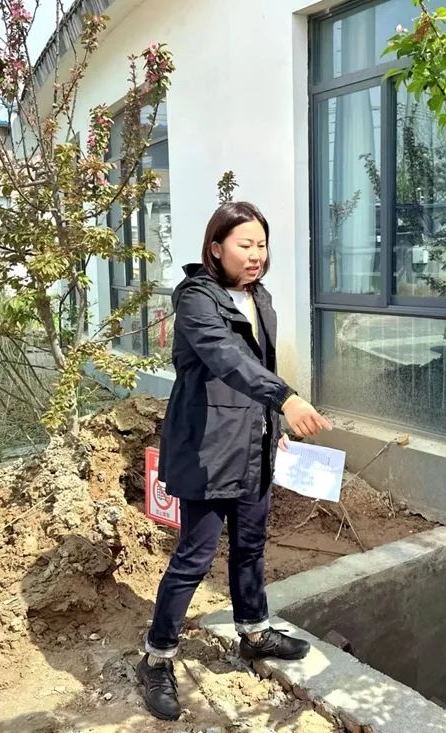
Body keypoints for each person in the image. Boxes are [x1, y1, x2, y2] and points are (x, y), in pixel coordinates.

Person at [136, 201, 333, 721]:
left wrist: (273, 430)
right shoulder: (197, 300)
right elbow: (227, 360)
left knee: (250, 547)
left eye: (261, 245)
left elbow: (259, 368)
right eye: (245, 244)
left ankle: (254, 632)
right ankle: (157, 657)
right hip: (206, 448)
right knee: (194, 557)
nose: (255, 255)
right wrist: (286, 400)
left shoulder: (259, 297)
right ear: (216, 247)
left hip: (252, 445)